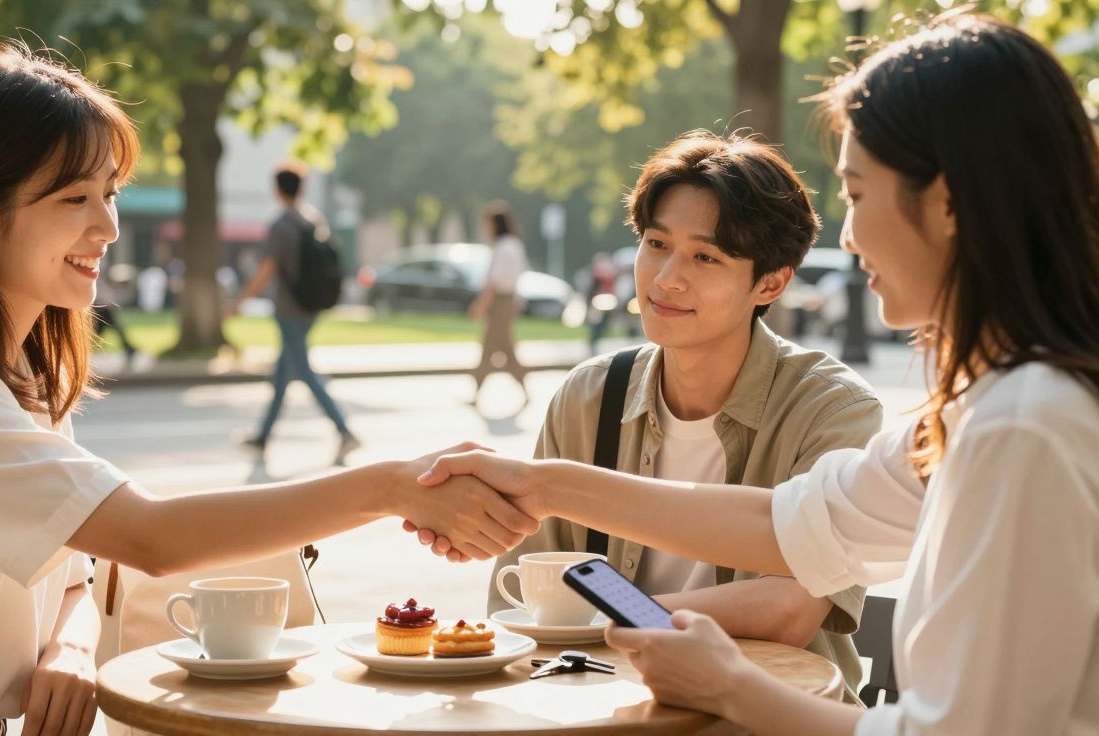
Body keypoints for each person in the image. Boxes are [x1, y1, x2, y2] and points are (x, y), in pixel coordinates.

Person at [0, 45, 536, 736]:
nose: (108, 226)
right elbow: (151, 539)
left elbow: (74, 568)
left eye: (109, 193)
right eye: (74, 198)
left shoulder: (18, 378)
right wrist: (394, 487)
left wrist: (72, 649)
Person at [407, 11, 1099, 734]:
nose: (851, 234)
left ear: (950, 201)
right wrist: (541, 484)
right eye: (655, 244)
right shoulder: (991, 407)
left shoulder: (1026, 423)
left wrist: (730, 685)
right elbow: (792, 523)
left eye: (859, 194)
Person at [482, 131, 881, 698]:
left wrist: (612, 616)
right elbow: (518, 592)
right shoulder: (589, 397)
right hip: (605, 711)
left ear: (770, 282)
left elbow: (789, 608)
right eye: (656, 242)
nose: (666, 277)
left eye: (705, 256)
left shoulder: (832, 411)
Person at [229, 162, 359, 464]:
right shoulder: (313, 219)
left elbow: (266, 269)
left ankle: (344, 430)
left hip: (289, 308)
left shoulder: (282, 225)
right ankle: (262, 437)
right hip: (311, 306)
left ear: (277, 189)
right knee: (282, 375)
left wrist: (239, 302)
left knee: (303, 371)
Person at [470, 201, 530, 405]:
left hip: (501, 302)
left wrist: (481, 305)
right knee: (505, 348)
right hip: (506, 301)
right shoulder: (513, 244)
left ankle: (477, 391)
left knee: (490, 346)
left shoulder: (504, 247)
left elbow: (495, 281)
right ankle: (523, 387)